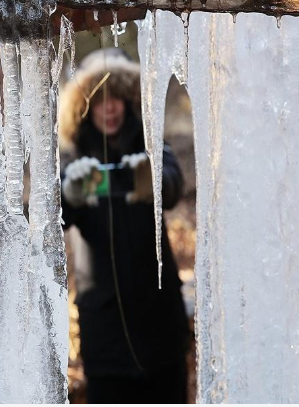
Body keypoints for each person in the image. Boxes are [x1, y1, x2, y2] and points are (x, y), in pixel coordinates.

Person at [58, 48, 189, 404]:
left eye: (117, 97)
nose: (110, 107)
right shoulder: (73, 162)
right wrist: (67, 194)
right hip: (105, 337)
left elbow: (175, 183)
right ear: (85, 106)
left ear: (130, 100)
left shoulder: (152, 147)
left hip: (161, 327)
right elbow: (48, 220)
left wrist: (153, 180)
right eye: (100, 99)